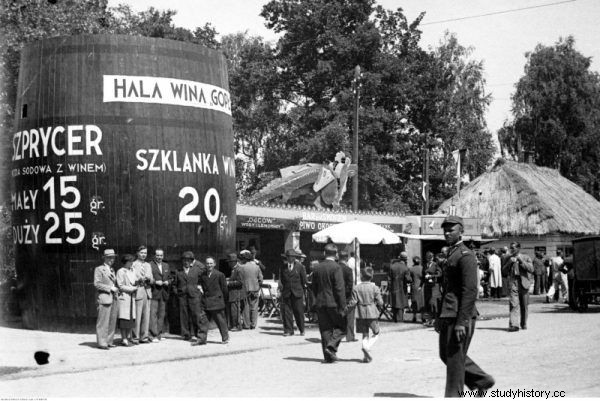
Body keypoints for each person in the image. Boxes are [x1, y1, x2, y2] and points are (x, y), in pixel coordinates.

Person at [437, 215, 494, 397]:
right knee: (446, 354)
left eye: (451, 229)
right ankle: (481, 381)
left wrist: (462, 321)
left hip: (460, 315)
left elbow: (470, 291)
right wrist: (440, 317)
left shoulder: (466, 256)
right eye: (445, 229)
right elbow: (447, 289)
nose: (447, 233)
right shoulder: (451, 254)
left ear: (461, 230)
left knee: (454, 359)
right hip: (448, 313)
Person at [312, 243, 346, 363]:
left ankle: (328, 357)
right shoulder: (336, 267)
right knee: (342, 327)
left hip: (320, 302)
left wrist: (318, 297)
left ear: (324, 253)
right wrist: (342, 305)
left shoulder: (317, 267)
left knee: (325, 330)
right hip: (333, 303)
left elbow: (314, 287)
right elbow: (339, 288)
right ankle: (331, 347)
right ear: (336, 254)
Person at [347, 266, 383, 363]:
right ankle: (367, 347)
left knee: (364, 333)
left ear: (361, 276)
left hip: (360, 313)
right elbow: (380, 302)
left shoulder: (356, 288)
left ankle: (365, 356)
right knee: (377, 332)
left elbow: (353, 302)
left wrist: (347, 309)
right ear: (371, 277)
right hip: (372, 312)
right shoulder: (375, 288)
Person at [174, 251, 209, 344]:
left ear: (191, 261)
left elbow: (204, 276)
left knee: (196, 315)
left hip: (194, 296)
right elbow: (174, 284)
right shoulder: (178, 271)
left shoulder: (197, 269)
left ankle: (198, 335)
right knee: (184, 316)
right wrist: (177, 292)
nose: (186, 262)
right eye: (184, 260)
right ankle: (186, 334)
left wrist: (200, 290)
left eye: (188, 260)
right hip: (182, 296)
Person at [502, 242, 533, 331]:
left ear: (519, 248)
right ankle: (514, 325)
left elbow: (531, 269)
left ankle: (523, 323)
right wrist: (509, 263)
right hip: (513, 282)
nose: (512, 250)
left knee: (524, 305)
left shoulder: (526, 257)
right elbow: (503, 272)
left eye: (514, 248)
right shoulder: (507, 258)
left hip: (524, 283)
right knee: (513, 304)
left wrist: (521, 261)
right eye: (511, 248)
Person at [94, 249, 119, 349]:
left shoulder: (113, 270)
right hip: (104, 298)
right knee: (103, 322)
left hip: (114, 298)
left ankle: (109, 341)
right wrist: (110, 288)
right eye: (109, 257)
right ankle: (101, 343)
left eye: (112, 257)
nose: (111, 259)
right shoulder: (99, 269)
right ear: (104, 258)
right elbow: (97, 284)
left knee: (112, 321)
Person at [200, 256, 229, 344]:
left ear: (214, 264)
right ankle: (202, 339)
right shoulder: (203, 275)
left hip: (217, 301)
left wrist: (224, 301)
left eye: (211, 263)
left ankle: (225, 338)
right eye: (207, 263)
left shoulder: (220, 275)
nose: (209, 265)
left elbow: (224, 289)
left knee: (220, 321)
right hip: (206, 301)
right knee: (203, 321)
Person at [279, 249, 307, 336]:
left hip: (297, 292)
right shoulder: (283, 267)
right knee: (287, 312)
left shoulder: (300, 267)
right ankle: (289, 330)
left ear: (294, 258)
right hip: (287, 292)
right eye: (288, 257)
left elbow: (304, 280)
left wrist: (301, 290)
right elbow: (282, 280)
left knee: (299, 312)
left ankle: (301, 329)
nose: (290, 258)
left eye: (292, 257)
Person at [132, 246, 153, 344]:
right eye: (142, 253)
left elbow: (152, 279)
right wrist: (138, 280)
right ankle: (135, 337)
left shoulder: (148, 265)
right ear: (137, 253)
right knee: (137, 316)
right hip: (138, 291)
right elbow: (130, 279)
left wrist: (149, 279)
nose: (144, 255)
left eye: (145, 253)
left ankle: (144, 337)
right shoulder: (133, 264)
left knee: (146, 316)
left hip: (147, 291)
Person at [238, 250, 263, 329]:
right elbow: (261, 279)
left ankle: (247, 324)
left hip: (245, 289)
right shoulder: (256, 267)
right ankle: (253, 324)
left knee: (246, 307)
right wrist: (258, 286)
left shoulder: (241, 267)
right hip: (255, 289)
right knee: (254, 308)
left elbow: (239, 279)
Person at [116, 254, 138, 346]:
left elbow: (135, 281)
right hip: (124, 297)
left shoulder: (132, 271)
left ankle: (128, 338)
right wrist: (131, 289)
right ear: (125, 262)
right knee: (124, 320)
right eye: (130, 262)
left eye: (132, 261)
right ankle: (124, 339)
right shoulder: (121, 271)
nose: (131, 263)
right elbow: (120, 286)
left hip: (132, 298)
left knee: (131, 319)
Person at [149, 248, 170, 342]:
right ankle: (152, 335)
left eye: (161, 255)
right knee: (153, 314)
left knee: (161, 315)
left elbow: (170, 278)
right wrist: (155, 282)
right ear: (154, 256)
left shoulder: (166, 265)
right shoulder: (150, 265)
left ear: (163, 256)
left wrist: (168, 282)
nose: (159, 257)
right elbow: (147, 278)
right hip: (154, 293)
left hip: (163, 293)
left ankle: (158, 334)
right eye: (157, 255)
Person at [338, 250, 356, 341]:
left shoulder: (335, 268)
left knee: (337, 317)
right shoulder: (348, 270)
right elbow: (350, 284)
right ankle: (350, 336)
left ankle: (337, 336)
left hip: (336, 296)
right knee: (349, 317)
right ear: (346, 258)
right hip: (346, 296)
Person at [389, 252, 411, 323]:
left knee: (395, 301)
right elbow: (408, 279)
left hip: (393, 286)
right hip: (401, 287)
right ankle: (400, 319)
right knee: (401, 302)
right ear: (405, 259)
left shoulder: (392, 266)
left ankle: (395, 318)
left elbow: (389, 277)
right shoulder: (405, 267)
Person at [423, 251, 442, 327]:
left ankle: (434, 319)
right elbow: (422, 274)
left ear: (433, 258)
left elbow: (439, 274)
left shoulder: (435, 265)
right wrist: (421, 285)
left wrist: (432, 276)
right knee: (427, 302)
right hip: (427, 285)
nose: (429, 259)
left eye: (430, 258)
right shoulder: (425, 265)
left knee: (433, 302)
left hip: (434, 285)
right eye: (428, 258)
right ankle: (429, 320)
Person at [226, 253, 244, 331]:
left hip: (236, 293)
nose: (229, 264)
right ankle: (233, 325)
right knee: (233, 309)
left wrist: (229, 283)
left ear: (233, 262)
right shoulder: (234, 269)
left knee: (235, 310)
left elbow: (240, 282)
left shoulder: (238, 269)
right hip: (232, 293)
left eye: (230, 262)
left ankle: (237, 325)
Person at [409, 256, 424, 323]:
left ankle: (414, 316)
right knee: (422, 302)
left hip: (414, 286)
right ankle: (422, 316)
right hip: (421, 286)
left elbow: (409, 279)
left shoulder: (411, 269)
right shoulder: (422, 268)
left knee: (414, 302)